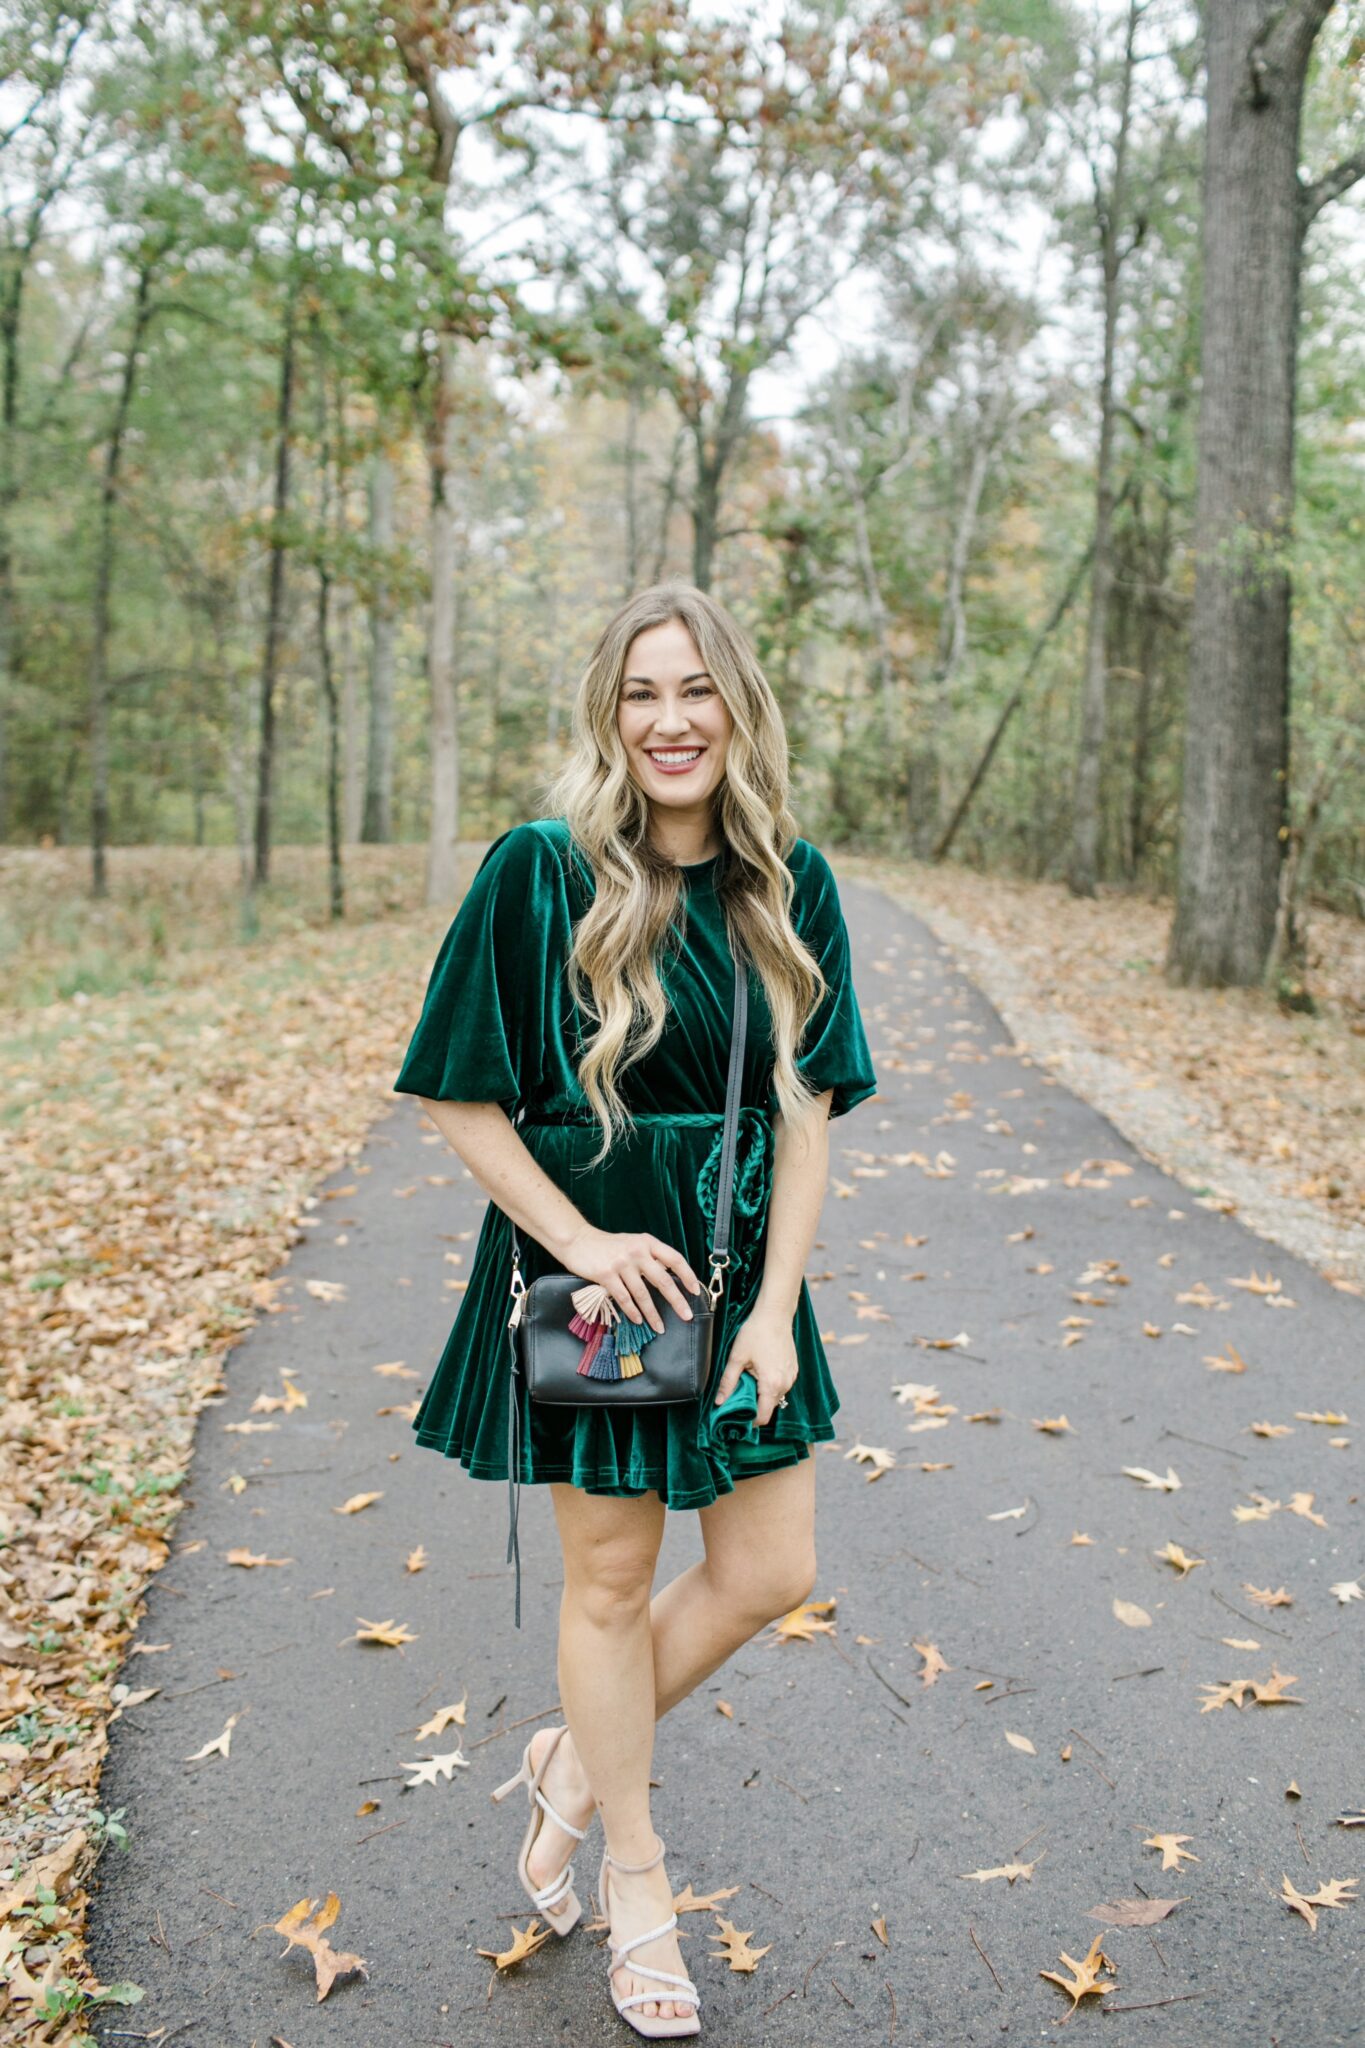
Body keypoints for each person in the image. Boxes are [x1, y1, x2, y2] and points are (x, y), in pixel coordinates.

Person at [392, 581, 878, 2038]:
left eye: (695, 691)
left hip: (732, 1273)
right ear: (610, 714)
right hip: (589, 1278)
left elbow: (804, 1112)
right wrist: (583, 1243)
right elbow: (455, 1093)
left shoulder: (790, 881)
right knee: (607, 1586)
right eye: (640, 694)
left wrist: (778, 1307)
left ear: (737, 705)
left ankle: (564, 1767)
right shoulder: (540, 871)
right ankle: (639, 1881)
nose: (670, 723)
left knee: (767, 1568)